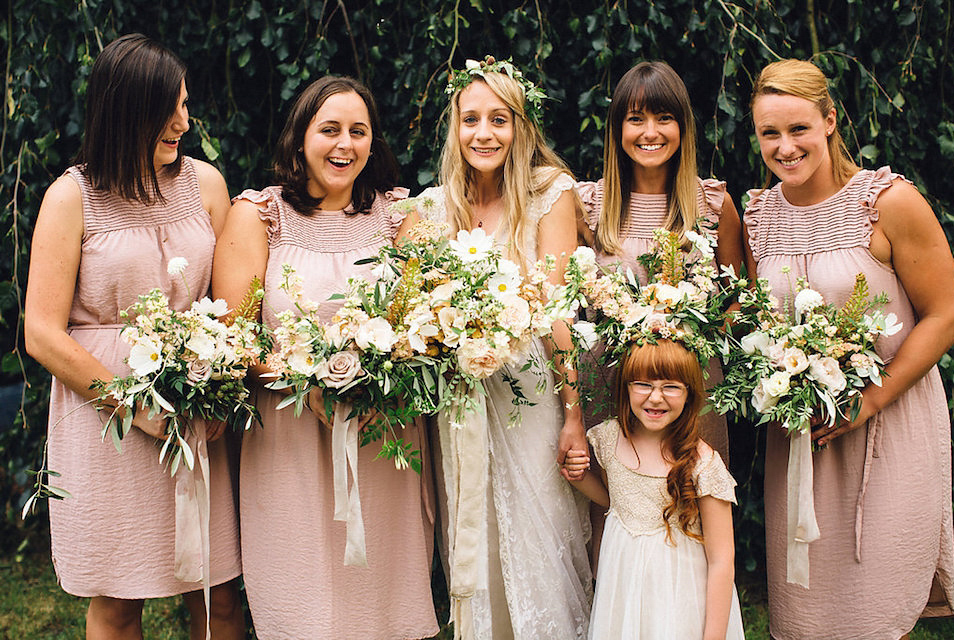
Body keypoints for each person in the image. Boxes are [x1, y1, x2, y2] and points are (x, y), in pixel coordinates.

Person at [23, 34, 243, 639]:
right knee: (119, 602)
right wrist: (132, 404)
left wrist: (223, 391)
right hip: (107, 422)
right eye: (168, 110)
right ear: (126, 112)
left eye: (185, 104)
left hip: (198, 408)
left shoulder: (206, 185)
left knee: (218, 593)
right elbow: (41, 332)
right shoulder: (72, 198)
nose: (184, 122)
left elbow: (230, 304)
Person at [211, 76, 437, 639]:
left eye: (358, 132)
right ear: (300, 137)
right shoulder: (259, 216)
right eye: (329, 129)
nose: (345, 145)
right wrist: (309, 377)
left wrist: (378, 376)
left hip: (382, 433)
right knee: (300, 595)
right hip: (287, 434)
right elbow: (233, 344)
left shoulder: (398, 217)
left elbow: (431, 326)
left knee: (380, 599)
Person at [746, 58, 954, 639]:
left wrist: (870, 399)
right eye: (770, 133)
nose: (785, 147)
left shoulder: (887, 202)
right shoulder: (757, 217)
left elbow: (945, 315)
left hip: (889, 421)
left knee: (877, 598)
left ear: (830, 121)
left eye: (798, 129)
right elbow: (749, 321)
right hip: (802, 435)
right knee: (809, 610)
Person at [415, 57, 592, 639]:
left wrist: (574, 413)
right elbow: (418, 311)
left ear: (521, 127)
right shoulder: (430, 207)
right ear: (454, 127)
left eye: (499, 119)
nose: (484, 133)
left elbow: (559, 308)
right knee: (476, 527)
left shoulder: (550, 193)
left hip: (531, 393)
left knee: (542, 529)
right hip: (461, 397)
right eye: (471, 120)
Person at [575, 60, 742, 571]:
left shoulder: (712, 204)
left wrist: (694, 327)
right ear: (617, 129)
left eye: (663, 118)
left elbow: (740, 297)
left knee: (691, 510)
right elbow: (568, 299)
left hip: (691, 384)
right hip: (610, 384)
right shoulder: (587, 206)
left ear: (683, 126)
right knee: (619, 520)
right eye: (635, 118)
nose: (650, 132)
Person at [564, 339, 744, 639]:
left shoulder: (703, 463)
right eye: (644, 384)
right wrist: (579, 477)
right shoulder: (610, 438)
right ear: (626, 388)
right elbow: (619, 501)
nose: (656, 397)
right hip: (624, 577)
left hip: (679, 588)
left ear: (689, 394)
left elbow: (722, 560)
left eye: (671, 386)